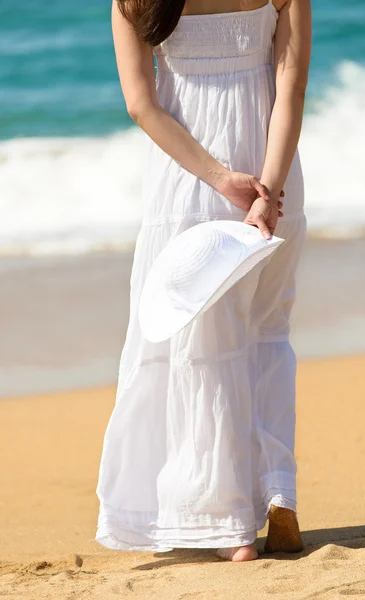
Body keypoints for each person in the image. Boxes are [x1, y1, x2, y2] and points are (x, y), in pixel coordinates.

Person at [95, 0, 312, 562]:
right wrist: (266, 190)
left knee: (203, 344)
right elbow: (290, 89)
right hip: (273, 178)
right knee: (267, 333)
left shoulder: (134, 1)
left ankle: (229, 523)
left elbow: (142, 105)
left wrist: (223, 181)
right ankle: (276, 494)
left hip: (193, 179)